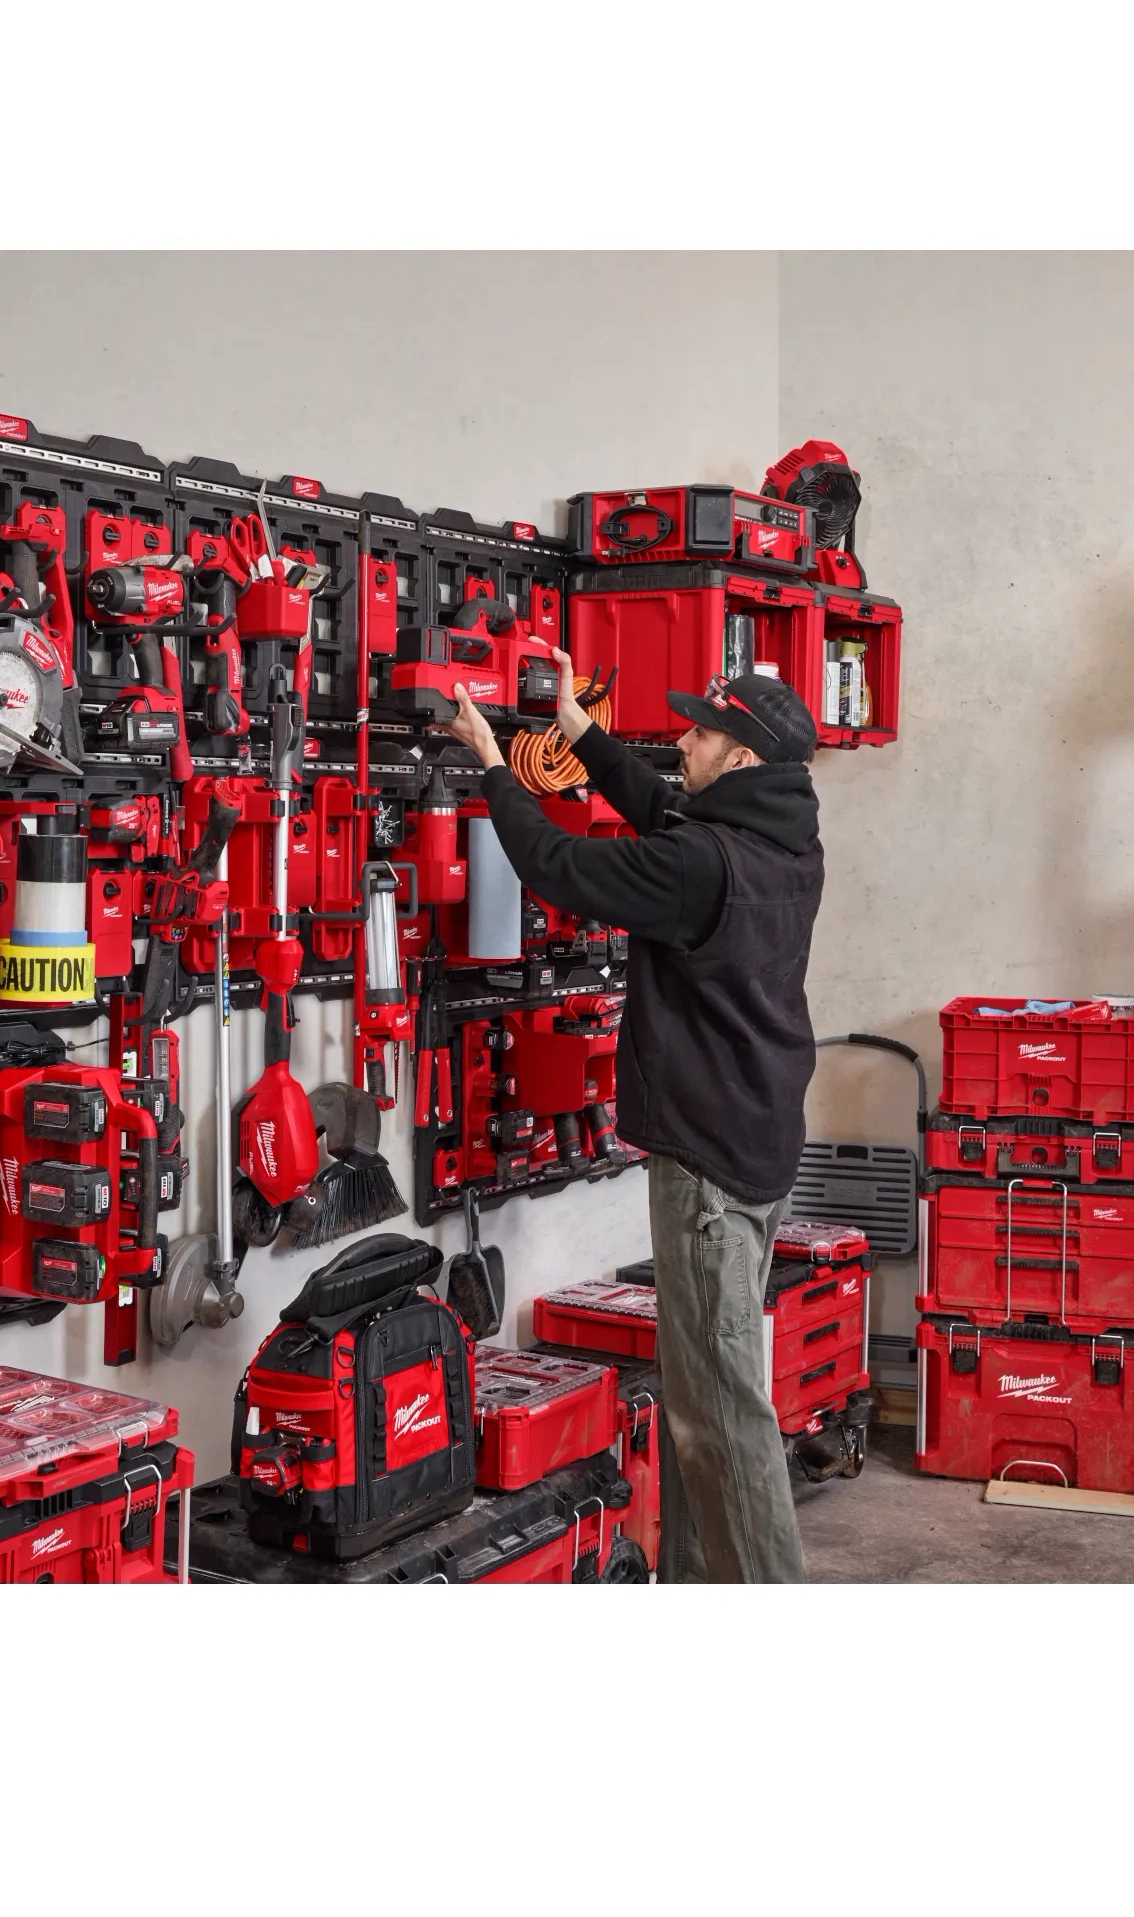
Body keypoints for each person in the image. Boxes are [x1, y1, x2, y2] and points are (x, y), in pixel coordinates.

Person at [443, 650, 825, 1583]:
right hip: (760, 1141)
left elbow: (560, 865)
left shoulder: (701, 864)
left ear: (741, 758)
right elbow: (668, 815)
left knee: (722, 1413)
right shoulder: (784, 843)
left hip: (707, 1167)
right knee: (702, 1397)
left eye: (701, 733)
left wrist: (492, 764)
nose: (682, 743)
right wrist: (581, 735)